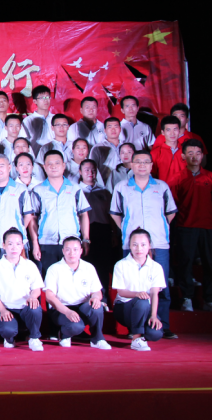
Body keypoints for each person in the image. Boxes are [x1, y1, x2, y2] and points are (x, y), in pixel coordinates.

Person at [110, 149, 178, 339]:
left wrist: (160, 227)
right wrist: (128, 230)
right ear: (131, 165)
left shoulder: (162, 187)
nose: (142, 165)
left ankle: (162, 325)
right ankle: (135, 327)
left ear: (151, 165)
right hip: (132, 245)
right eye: (138, 162)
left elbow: (170, 212)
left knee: (160, 285)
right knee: (133, 284)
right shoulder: (122, 187)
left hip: (158, 243)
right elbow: (115, 213)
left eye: (146, 162)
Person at [174, 140, 212, 313]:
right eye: (190, 153)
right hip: (186, 225)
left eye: (198, 153)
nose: (194, 156)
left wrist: (207, 208)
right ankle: (186, 298)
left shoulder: (210, 176)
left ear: (202, 155)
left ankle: (209, 299)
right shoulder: (178, 177)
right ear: (183, 156)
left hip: (208, 226)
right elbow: (171, 202)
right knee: (186, 262)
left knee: (209, 263)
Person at [29, 150, 91, 275]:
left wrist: (86, 239)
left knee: (71, 278)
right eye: (49, 164)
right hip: (46, 243)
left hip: (71, 242)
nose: (53, 166)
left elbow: (84, 214)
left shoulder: (75, 188)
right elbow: (32, 219)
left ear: (63, 165)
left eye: (57, 163)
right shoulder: (38, 190)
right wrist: (35, 243)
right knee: (49, 278)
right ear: (44, 167)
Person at [43, 236, 111, 349]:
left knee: (97, 307)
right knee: (76, 327)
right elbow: (49, 296)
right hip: (62, 308)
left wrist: (95, 298)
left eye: (75, 249)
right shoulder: (54, 269)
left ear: (81, 251)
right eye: (68, 249)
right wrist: (67, 312)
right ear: (63, 251)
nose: (72, 253)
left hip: (83, 306)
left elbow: (97, 291)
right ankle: (63, 334)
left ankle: (97, 339)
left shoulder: (89, 267)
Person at [0, 228, 45, 351]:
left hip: (25, 308)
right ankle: (9, 338)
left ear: (22, 246)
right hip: (7, 308)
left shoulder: (30, 265)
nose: (14, 247)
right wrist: (2, 310)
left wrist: (33, 297)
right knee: (8, 330)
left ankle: (34, 338)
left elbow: (37, 288)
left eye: (18, 244)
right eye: (10, 244)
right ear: (3, 245)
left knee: (35, 308)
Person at [112, 229, 165, 351]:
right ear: (129, 246)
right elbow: (121, 292)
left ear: (149, 246)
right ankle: (136, 339)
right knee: (142, 301)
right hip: (124, 308)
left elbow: (154, 293)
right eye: (135, 245)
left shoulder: (156, 267)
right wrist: (137, 294)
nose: (139, 248)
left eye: (143, 244)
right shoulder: (121, 265)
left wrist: (154, 315)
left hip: (145, 309)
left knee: (155, 334)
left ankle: (138, 329)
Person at [78, 158, 116, 301]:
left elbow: (111, 214)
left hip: (103, 231)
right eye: (86, 170)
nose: (90, 173)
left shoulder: (104, 192)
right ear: (80, 172)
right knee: (85, 265)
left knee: (103, 266)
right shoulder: (76, 190)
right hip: (84, 233)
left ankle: (103, 299)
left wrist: (114, 233)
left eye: (93, 170)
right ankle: (86, 298)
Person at [150, 115, 187, 191]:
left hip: (185, 192)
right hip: (163, 192)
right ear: (162, 132)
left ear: (179, 131)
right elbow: (151, 177)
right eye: (168, 130)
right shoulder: (155, 153)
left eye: (175, 129)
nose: (172, 133)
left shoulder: (186, 152)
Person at [34, 114, 73, 180]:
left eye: (64, 124)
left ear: (68, 127)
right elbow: (40, 167)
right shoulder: (46, 148)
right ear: (52, 128)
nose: (61, 127)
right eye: (58, 125)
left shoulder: (75, 145)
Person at [22, 85, 55, 154]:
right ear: (35, 101)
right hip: (36, 155)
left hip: (55, 154)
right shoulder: (28, 121)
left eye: (47, 97)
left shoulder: (55, 118)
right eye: (42, 98)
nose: (45, 100)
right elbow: (24, 142)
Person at [90, 117, 123, 182]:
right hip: (104, 184)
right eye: (110, 127)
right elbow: (92, 168)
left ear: (120, 129)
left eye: (116, 127)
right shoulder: (98, 148)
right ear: (105, 130)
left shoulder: (126, 147)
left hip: (124, 184)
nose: (113, 130)